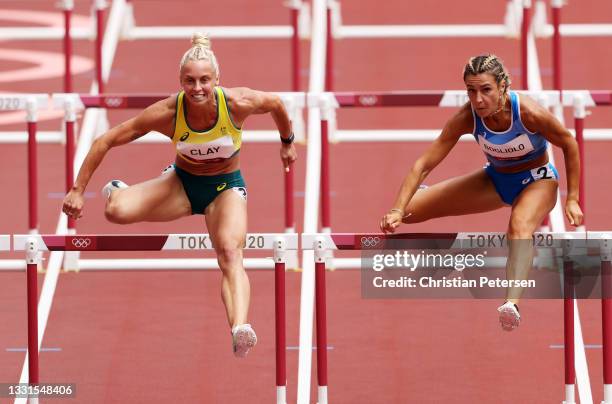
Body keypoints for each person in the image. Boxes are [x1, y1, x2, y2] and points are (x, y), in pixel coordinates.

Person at [62, 33, 297, 356]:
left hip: (225, 190)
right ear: (180, 81)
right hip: (182, 185)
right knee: (115, 212)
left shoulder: (238, 103)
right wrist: (77, 190)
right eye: (190, 81)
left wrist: (287, 142)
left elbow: (277, 104)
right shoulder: (167, 113)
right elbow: (105, 140)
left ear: (217, 79)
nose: (197, 88)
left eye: (204, 80)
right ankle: (119, 191)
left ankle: (240, 327)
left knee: (229, 252)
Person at [379, 54, 582, 331]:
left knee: (519, 227)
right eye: (471, 91)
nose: (478, 100)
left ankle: (511, 303)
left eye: (485, 90)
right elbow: (424, 163)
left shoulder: (529, 112)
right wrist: (397, 209)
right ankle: (424, 197)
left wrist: (572, 198)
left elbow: (569, 143)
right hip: (495, 180)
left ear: (502, 87)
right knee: (411, 212)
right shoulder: (468, 116)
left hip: (538, 181)